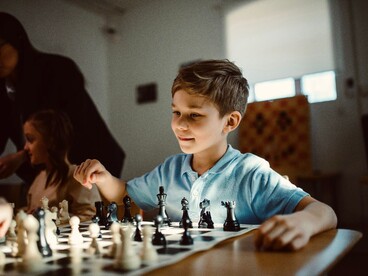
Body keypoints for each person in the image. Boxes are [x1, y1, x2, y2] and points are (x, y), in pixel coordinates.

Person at [74, 59, 337, 251]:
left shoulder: (251, 172)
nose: (180, 124)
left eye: (194, 115)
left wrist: (304, 223)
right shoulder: (170, 169)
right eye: (176, 112)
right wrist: (104, 177)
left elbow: (324, 212)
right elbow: (125, 197)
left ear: (230, 122)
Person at [0, 12, 125, 186]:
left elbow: (64, 127)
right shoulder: (4, 90)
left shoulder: (57, 70)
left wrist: (21, 156)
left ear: (17, 40)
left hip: (89, 162)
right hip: (49, 171)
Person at [24, 109, 101, 221]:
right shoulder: (39, 179)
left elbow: (91, 218)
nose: (25, 147)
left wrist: (49, 218)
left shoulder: (78, 178)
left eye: (30, 140)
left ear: (50, 141)